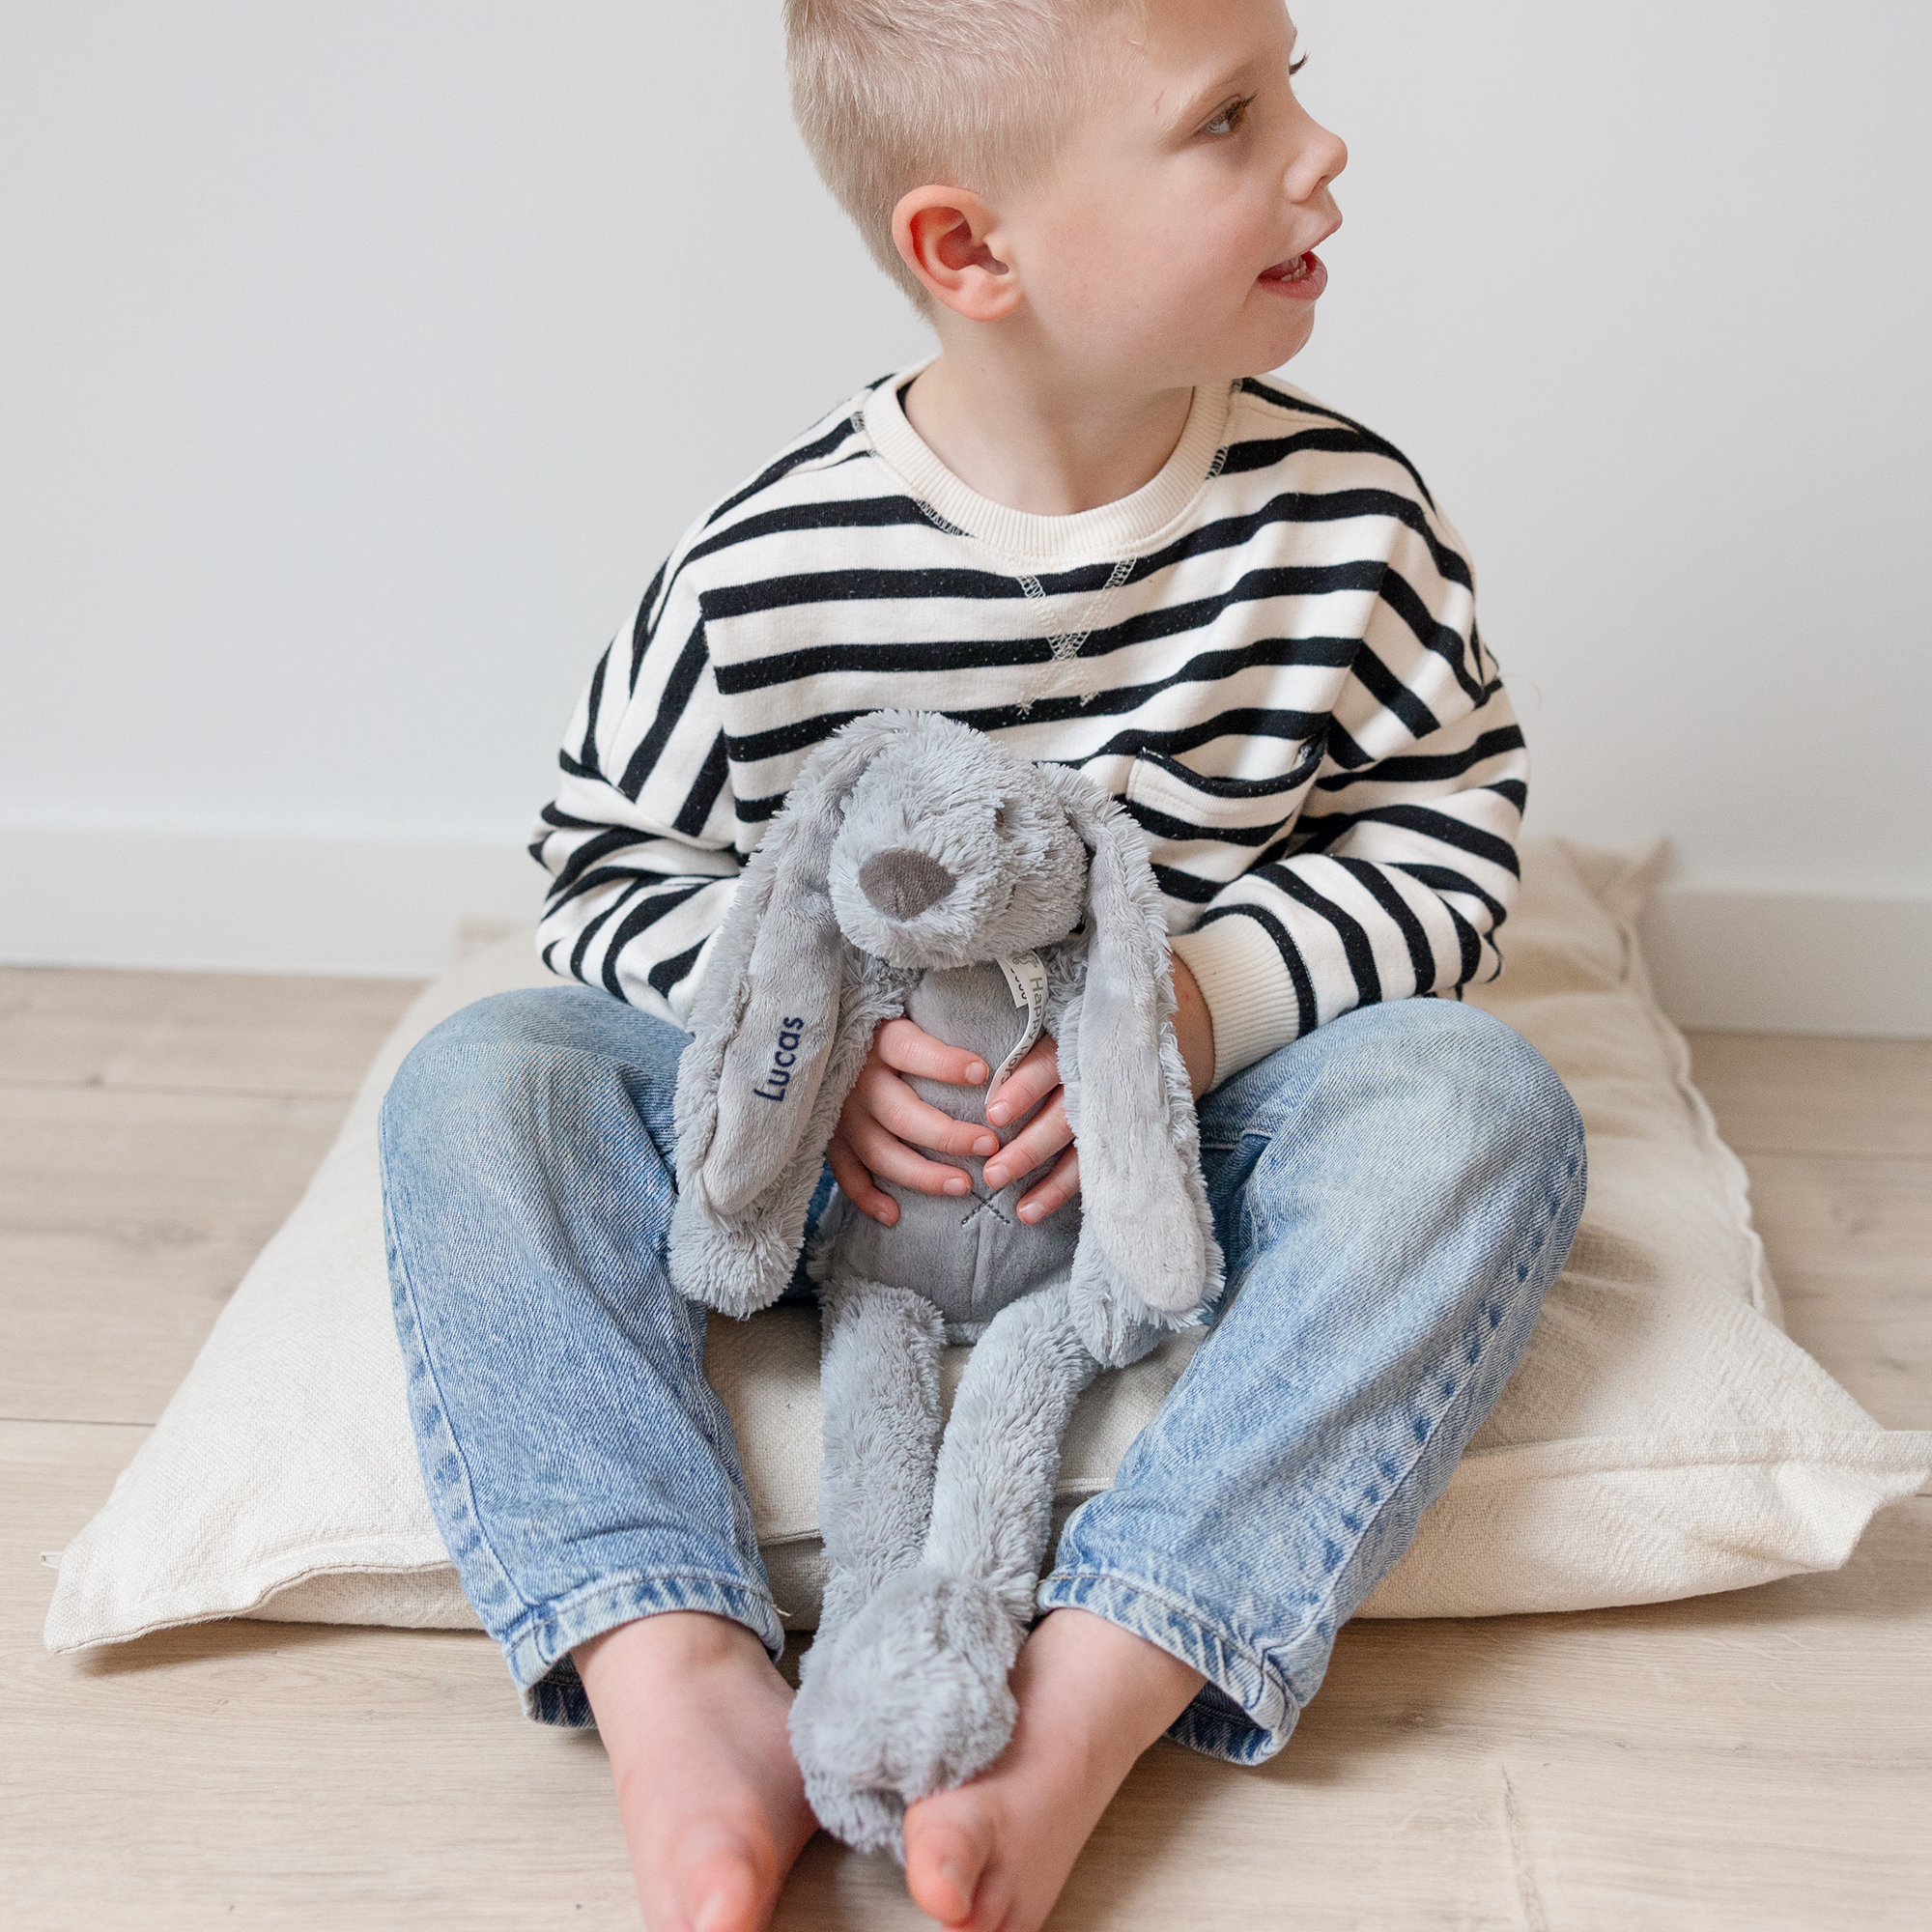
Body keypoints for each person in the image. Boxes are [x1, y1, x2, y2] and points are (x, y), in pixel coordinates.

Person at [379, 2, 1587, 1927]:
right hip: (826, 1192)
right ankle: (667, 1656)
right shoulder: (762, 568)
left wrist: (1199, 1015)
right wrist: (794, 1046)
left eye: (1295, 82)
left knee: (1476, 1101)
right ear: (970, 251)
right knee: (480, 1079)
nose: (1318, 152)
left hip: (1163, 1173)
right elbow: (605, 859)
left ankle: (1111, 1673)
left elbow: (1443, 831)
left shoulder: (1351, 524)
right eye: (1226, 119)